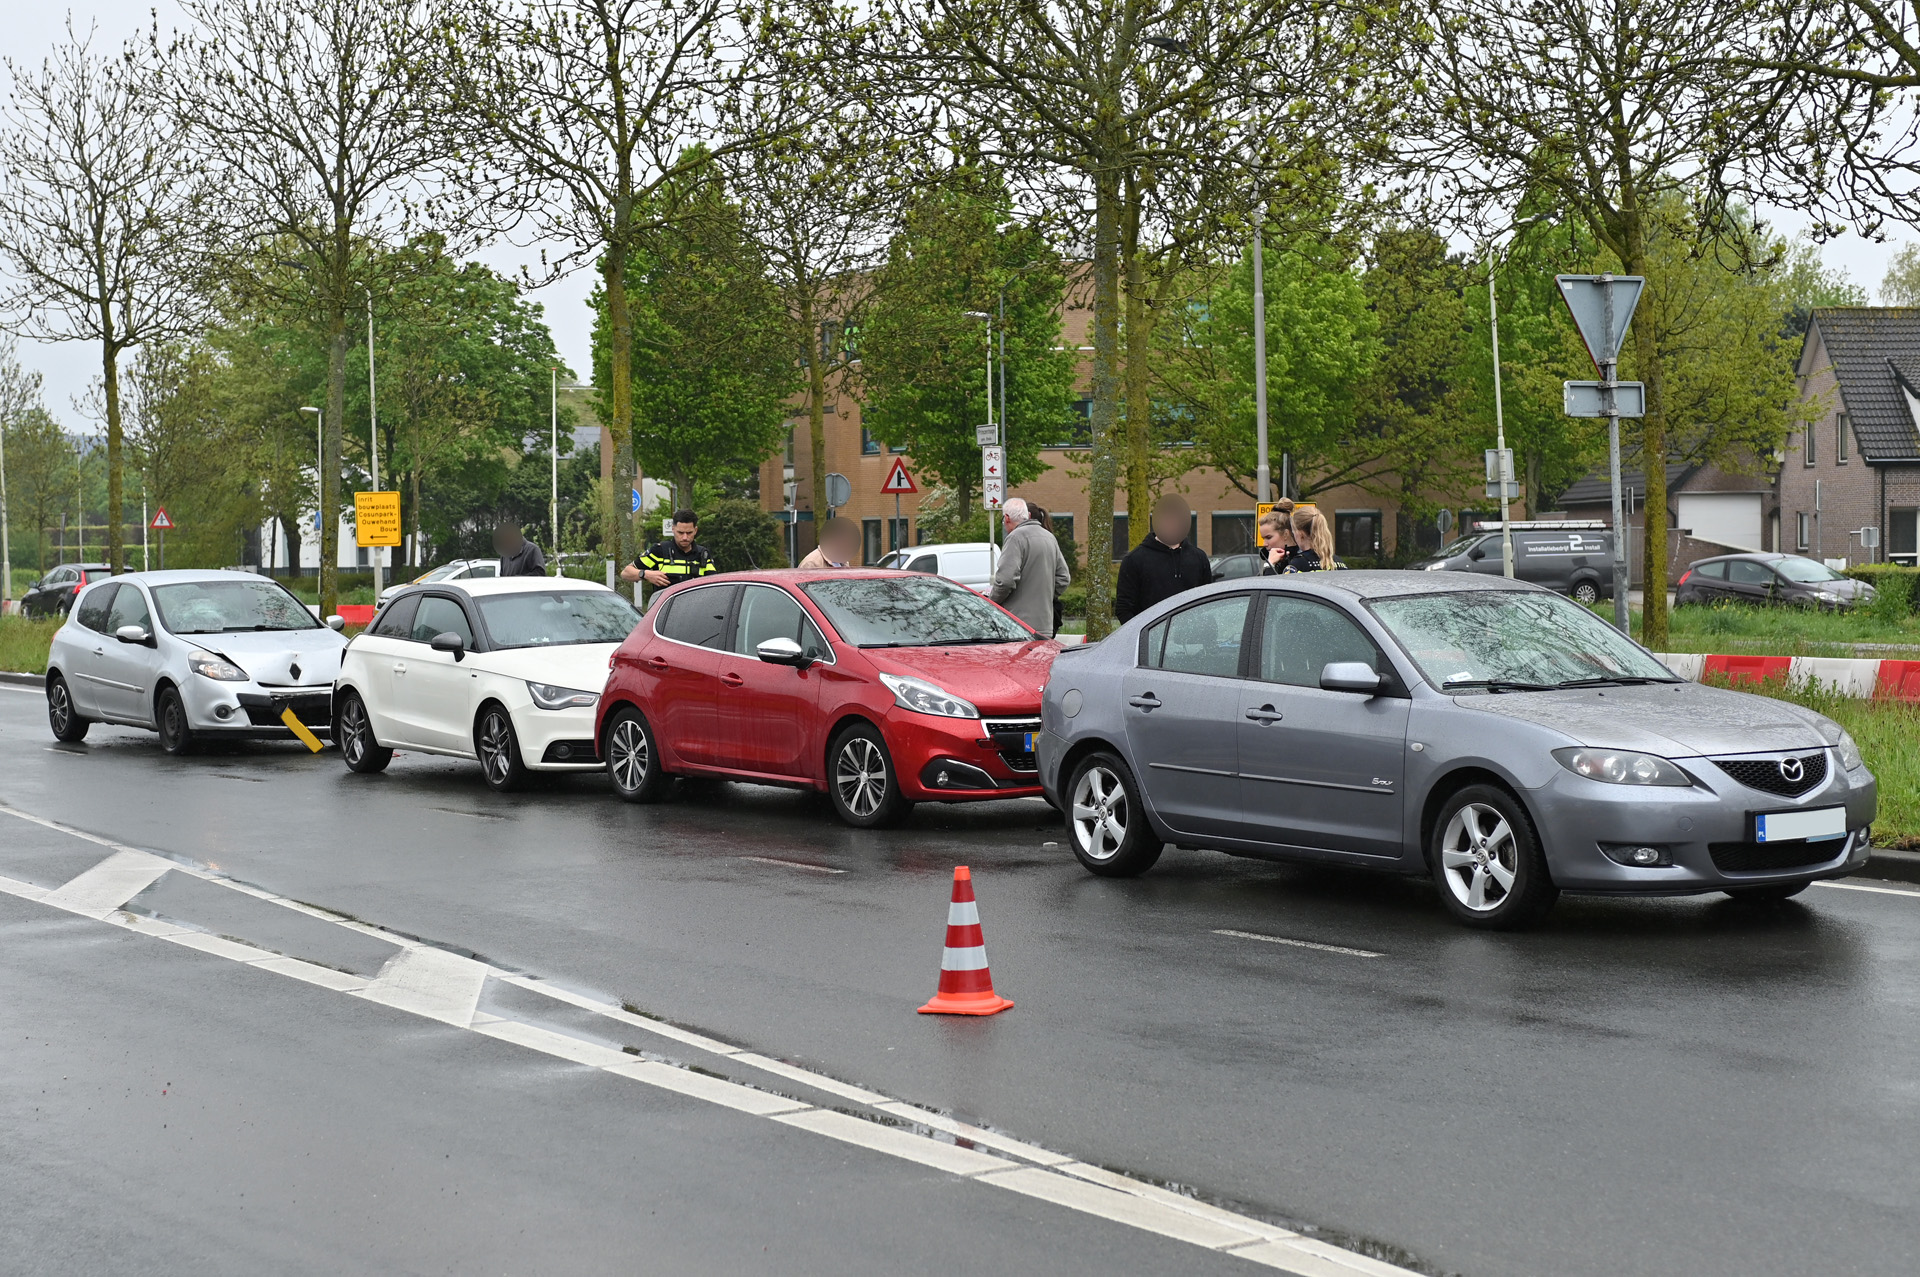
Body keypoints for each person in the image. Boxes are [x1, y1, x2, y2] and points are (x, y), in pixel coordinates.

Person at [1115, 493, 1212, 623]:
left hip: (1191, 639)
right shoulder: (1134, 560)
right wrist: (1141, 636)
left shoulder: (1199, 558)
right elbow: (1124, 608)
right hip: (1150, 640)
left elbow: (1207, 603)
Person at [990, 497, 1071, 637]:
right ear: (1027, 516)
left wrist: (991, 602)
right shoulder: (1049, 537)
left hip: (1018, 625)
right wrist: (1044, 595)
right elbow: (1063, 578)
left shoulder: (1015, 538)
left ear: (1007, 518)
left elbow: (1006, 580)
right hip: (1045, 624)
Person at [621, 508, 716, 601]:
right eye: (680, 532)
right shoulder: (659, 551)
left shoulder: (703, 554)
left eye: (689, 533)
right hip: (666, 613)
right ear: (673, 529)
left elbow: (713, 585)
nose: (685, 537)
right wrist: (646, 574)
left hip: (694, 612)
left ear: (695, 530)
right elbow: (626, 573)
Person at [1283, 505, 1336, 573]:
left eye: (1293, 532)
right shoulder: (1339, 563)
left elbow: (1278, 583)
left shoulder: (1298, 564)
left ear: (1300, 534)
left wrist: (1270, 565)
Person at [1257, 503, 1296, 576]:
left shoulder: (1298, 562)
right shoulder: (1278, 562)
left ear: (1285, 534)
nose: (1264, 544)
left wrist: (1269, 566)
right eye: (1263, 538)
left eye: (1268, 537)